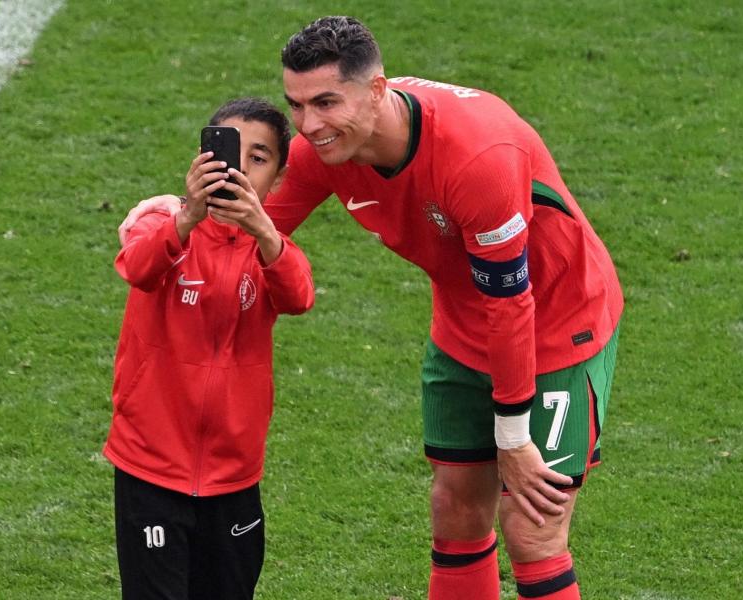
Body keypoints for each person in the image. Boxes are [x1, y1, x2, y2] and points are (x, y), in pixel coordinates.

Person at [120, 16, 623, 600]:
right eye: (298, 105)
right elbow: (246, 234)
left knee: (533, 529)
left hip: (559, 327)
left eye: (326, 102)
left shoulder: (478, 157)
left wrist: (512, 439)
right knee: (456, 508)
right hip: (462, 330)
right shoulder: (323, 151)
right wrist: (177, 215)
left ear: (379, 89)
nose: (309, 126)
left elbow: (511, 304)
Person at [104, 97, 315, 599]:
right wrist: (188, 217)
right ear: (200, 159)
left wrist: (262, 229)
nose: (239, 167)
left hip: (233, 474)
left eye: (258, 159)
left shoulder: (270, 252)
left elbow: (299, 296)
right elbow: (136, 268)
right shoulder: (160, 222)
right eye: (227, 152)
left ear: (278, 179)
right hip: (151, 467)